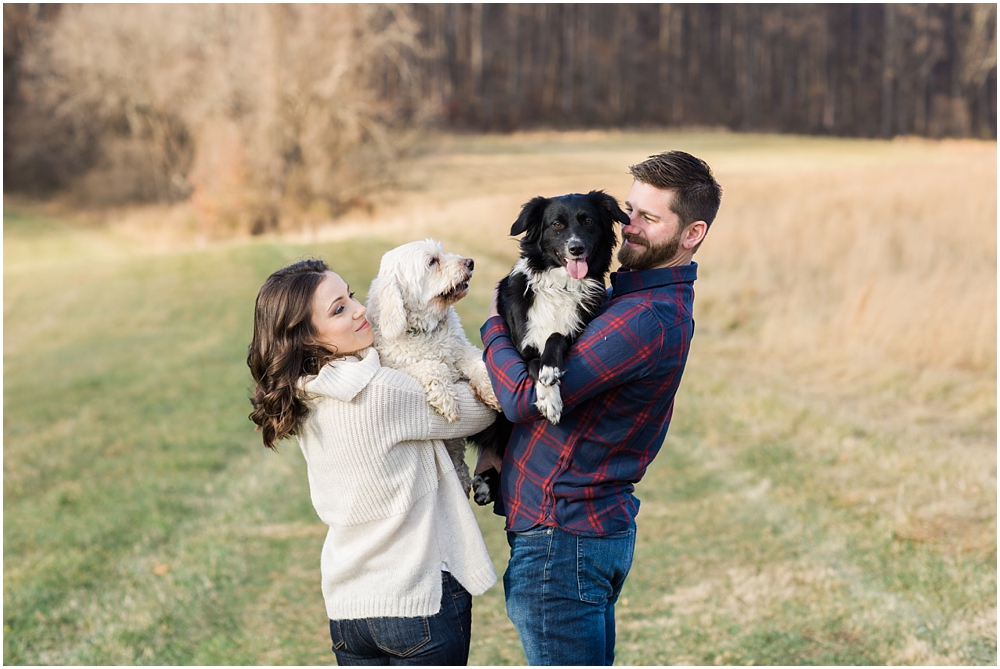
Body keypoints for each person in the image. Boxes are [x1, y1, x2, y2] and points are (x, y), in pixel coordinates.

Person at [476, 151, 722, 665]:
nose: (627, 228)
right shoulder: (617, 297)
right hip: (573, 535)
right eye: (630, 210)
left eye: (649, 218)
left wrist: (494, 325)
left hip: (563, 542)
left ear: (692, 233)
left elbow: (523, 398)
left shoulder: (643, 318)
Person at [247, 259, 498, 666]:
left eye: (349, 295)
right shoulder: (381, 391)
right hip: (416, 601)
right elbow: (484, 409)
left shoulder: (305, 394)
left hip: (348, 611)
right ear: (308, 339)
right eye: (339, 309)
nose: (361, 308)